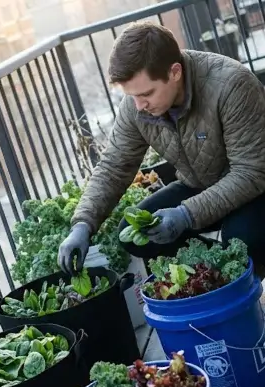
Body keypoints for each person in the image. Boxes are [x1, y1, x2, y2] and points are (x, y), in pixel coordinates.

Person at [57, 22, 265, 277]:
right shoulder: (136, 105)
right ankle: (218, 271)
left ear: (174, 72)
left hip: (255, 187)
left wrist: (186, 214)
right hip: (201, 184)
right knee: (135, 235)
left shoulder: (231, 85)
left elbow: (251, 172)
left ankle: (245, 271)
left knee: (242, 239)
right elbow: (114, 167)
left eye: (146, 94)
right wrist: (82, 225)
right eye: (131, 95)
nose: (139, 105)